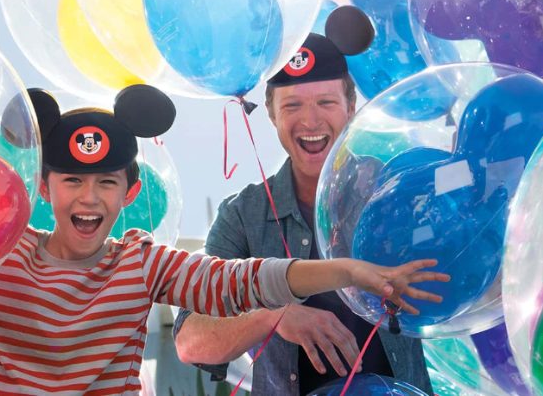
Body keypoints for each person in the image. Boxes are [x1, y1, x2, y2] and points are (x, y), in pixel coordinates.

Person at [0, 84, 447, 396]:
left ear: (129, 195)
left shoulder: (141, 261)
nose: (88, 198)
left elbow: (248, 280)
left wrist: (352, 269)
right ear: (45, 190)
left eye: (105, 184)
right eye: (72, 180)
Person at [173, 26, 435, 393]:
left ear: (351, 106)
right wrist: (273, 316)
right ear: (271, 114)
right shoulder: (242, 217)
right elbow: (190, 341)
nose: (310, 121)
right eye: (293, 105)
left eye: (325, 102)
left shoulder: (396, 190)